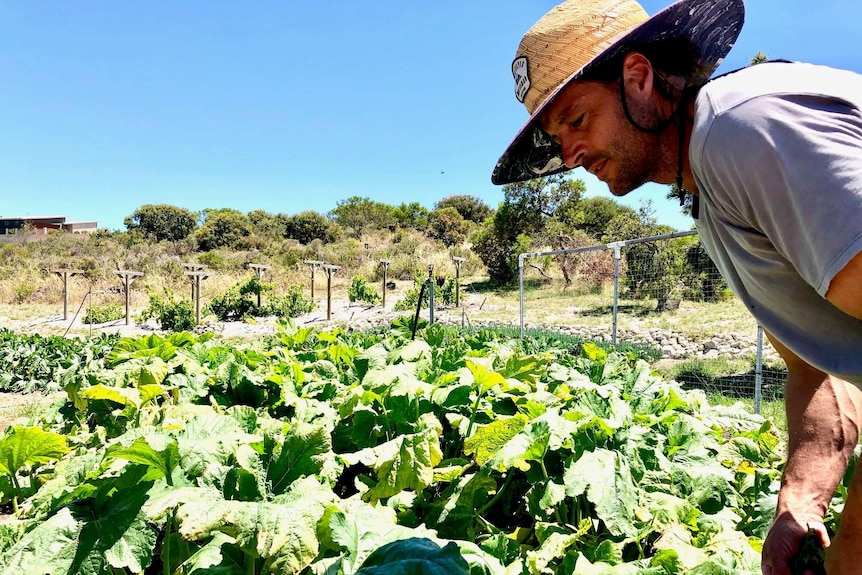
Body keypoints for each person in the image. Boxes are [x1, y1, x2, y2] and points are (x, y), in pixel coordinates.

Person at [491, 0, 862, 573]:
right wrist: (800, 499)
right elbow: (816, 371)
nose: (570, 154)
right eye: (557, 135)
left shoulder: (741, 128)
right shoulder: (711, 193)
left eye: (577, 119)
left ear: (638, 79)